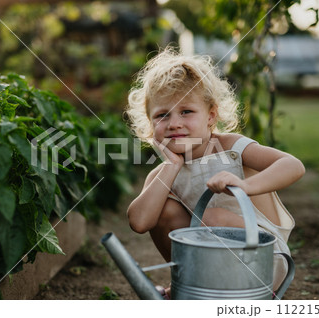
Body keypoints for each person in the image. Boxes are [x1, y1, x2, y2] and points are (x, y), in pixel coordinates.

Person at [125, 47, 305, 297]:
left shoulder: (231, 147)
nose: (174, 123)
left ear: (211, 116)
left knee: (213, 219)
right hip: (209, 267)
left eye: (186, 111)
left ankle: (243, 294)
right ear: (150, 124)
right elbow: (139, 222)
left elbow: (293, 165)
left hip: (263, 259)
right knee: (164, 210)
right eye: (162, 115)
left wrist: (246, 186)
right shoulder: (162, 173)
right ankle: (188, 285)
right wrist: (171, 165)